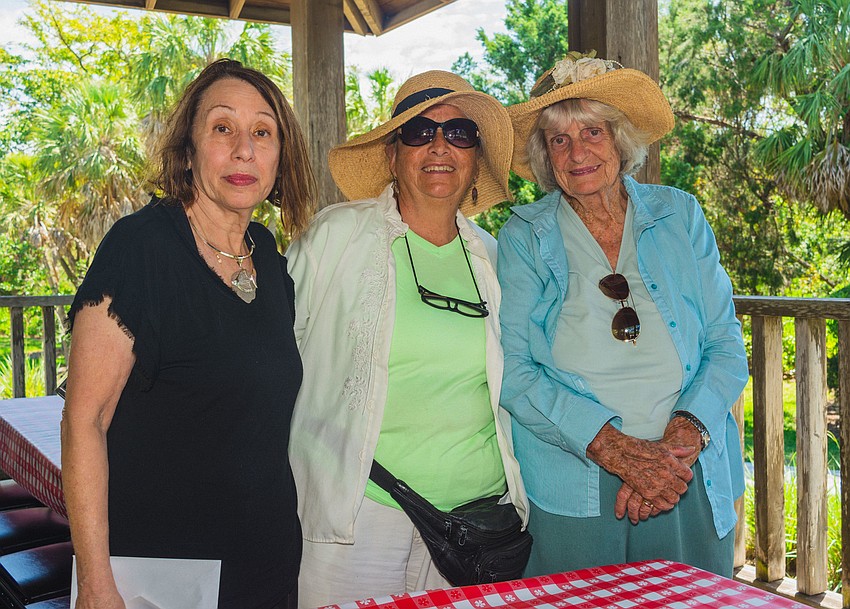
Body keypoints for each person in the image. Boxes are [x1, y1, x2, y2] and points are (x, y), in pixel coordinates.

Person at [61, 59, 316, 609]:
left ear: (280, 155)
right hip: (160, 577)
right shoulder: (141, 251)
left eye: (263, 132)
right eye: (223, 128)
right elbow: (85, 421)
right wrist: (97, 584)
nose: (244, 149)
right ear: (189, 149)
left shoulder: (269, 259)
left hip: (263, 567)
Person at [497, 53, 748, 578]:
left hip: (686, 472)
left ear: (620, 140)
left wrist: (682, 438)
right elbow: (515, 374)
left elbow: (726, 343)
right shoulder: (524, 236)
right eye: (558, 139)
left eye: (592, 132)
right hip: (577, 483)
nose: (577, 152)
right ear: (545, 153)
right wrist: (616, 450)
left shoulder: (680, 214)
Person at [286, 70, 528, 607]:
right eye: (419, 132)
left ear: (476, 157)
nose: (440, 146)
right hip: (357, 518)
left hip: (476, 525)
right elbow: (272, 357)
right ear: (393, 155)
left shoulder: (495, 257)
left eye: (460, 133)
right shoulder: (335, 236)